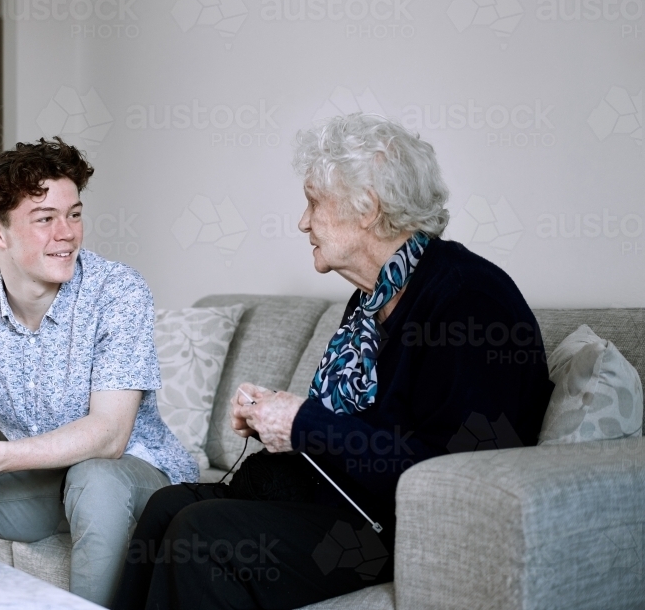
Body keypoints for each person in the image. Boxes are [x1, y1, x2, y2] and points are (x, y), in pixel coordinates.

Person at [112, 113, 555, 610]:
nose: (303, 221)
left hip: (391, 530)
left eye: (314, 202)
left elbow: (453, 475)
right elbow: (357, 429)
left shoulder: (468, 301)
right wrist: (277, 419)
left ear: (366, 208)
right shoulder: (371, 300)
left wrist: (303, 424)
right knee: (164, 506)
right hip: (340, 501)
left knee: (205, 532)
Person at [0, 137, 198, 608]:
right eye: (45, 218)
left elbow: (109, 436)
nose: (67, 232)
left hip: (131, 478)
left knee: (95, 478)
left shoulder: (118, 292)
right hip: (46, 483)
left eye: (73, 214)